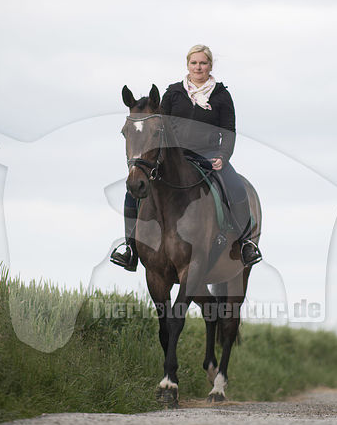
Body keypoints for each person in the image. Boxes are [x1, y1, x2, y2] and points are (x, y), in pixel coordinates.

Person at [110, 44, 262, 271]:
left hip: (210, 155)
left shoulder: (221, 95)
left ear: (210, 66)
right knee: (133, 191)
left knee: (237, 188)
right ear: (187, 65)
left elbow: (229, 131)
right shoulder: (173, 93)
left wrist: (222, 155)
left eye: (203, 63)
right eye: (194, 63)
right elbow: (159, 126)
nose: (198, 67)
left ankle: (245, 244)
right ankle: (130, 248)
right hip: (177, 155)